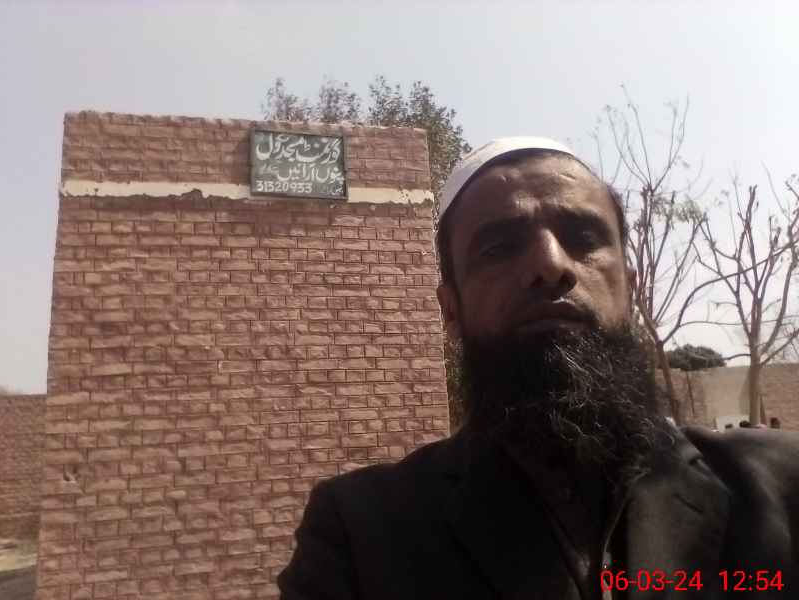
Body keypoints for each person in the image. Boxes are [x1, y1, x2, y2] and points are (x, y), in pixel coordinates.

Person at [278, 138, 799, 599]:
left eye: (583, 238)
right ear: (451, 310)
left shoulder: (777, 484)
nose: (551, 264)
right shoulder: (362, 534)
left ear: (630, 287)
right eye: (500, 247)